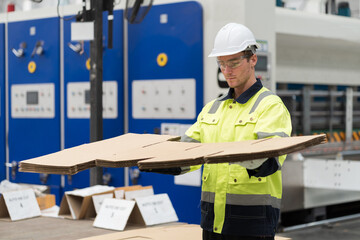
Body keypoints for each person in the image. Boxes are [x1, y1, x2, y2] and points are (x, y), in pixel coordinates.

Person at [145, 23, 292, 240]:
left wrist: (233, 155)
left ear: (253, 59)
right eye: (221, 63)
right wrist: (146, 159)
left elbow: (269, 162)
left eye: (233, 62)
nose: (227, 71)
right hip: (212, 224)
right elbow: (186, 157)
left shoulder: (270, 106)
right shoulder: (212, 108)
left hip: (252, 225)